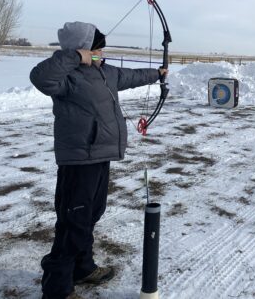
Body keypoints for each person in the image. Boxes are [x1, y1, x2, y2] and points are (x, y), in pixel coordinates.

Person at [30, 21, 168, 299]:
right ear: (83, 49)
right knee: (73, 222)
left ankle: (82, 267)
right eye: (97, 48)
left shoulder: (105, 71)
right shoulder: (66, 77)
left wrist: (157, 74)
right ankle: (57, 287)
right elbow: (40, 77)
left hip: (101, 155)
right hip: (79, 160)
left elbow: (131, 76)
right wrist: (73, 57)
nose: (102, 52)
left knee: (90, 215)